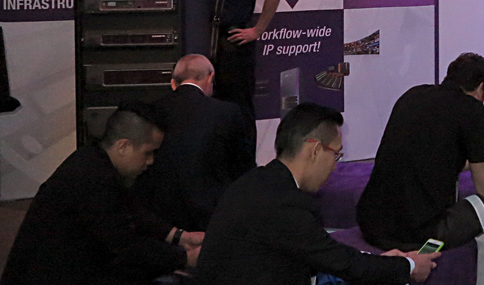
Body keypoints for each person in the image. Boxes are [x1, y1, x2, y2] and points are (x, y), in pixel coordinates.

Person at [196, 103, 440, 285]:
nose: (335, 166)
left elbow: (321, 252)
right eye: (335, 155)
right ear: (315, 150)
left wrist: (384, 262)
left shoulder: (255, 182)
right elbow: (341, 263)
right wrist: (408, 266)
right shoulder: (286, 205)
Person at [1, 102, 203, 285]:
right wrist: (186, 258)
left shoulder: (93, 160)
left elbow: (131, 213)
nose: (150, 161)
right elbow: (125, 246)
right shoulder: (94, 179)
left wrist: (179, 236)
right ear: (123, 146)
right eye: (148, 152)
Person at [357, 53, 484, 258]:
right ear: (481, 87)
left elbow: (434, 159)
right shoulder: (473, 111)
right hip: (420, 236)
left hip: (371, 225)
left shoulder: (412, 96)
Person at [134, 54, 256, 231]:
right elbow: (244, 168)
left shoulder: (151, 111)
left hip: (162, 219)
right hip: (214, 217)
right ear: (210, 78)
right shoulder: (228, 113)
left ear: (173, 83)